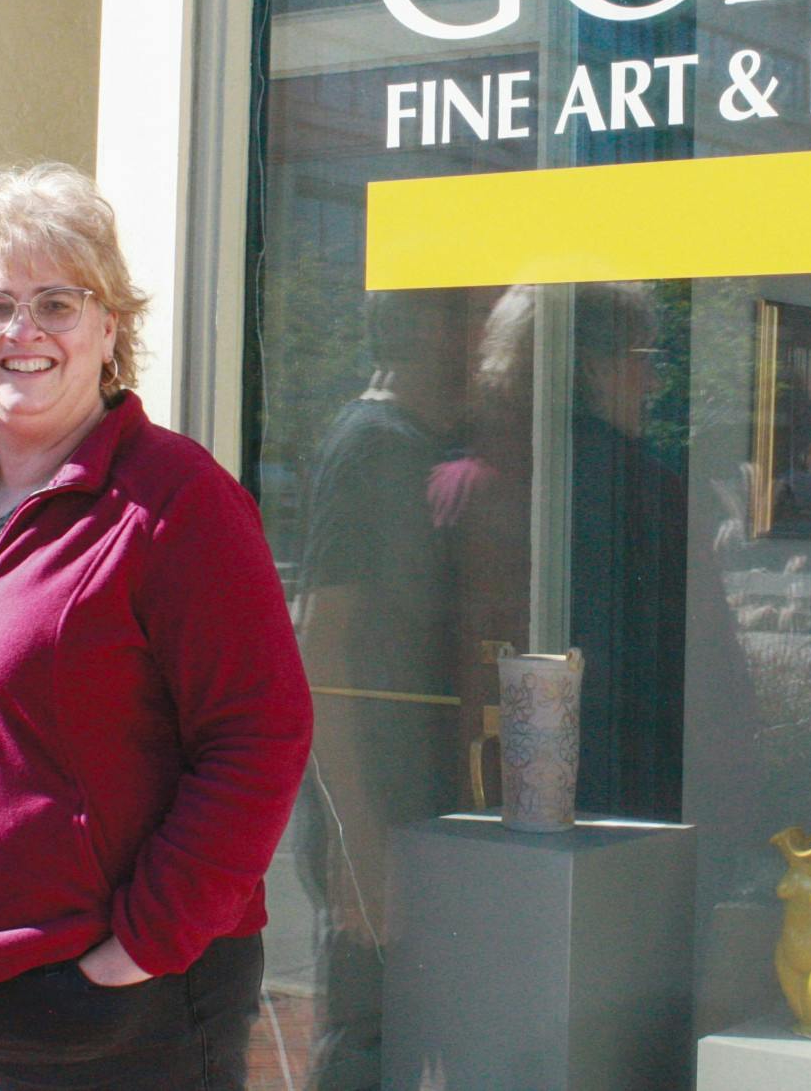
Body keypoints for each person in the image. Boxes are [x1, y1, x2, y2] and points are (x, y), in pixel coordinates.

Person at [0, 162, 312, 1090]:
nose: (25, 332)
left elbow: (261, 734)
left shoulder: (176, 499)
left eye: (59, 301)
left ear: (109, 326)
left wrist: (140, 946)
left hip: (101, 1013)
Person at [294, 289, 467, 1091]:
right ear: (431, 328)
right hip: (379, 824)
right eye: (470, 319)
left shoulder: (420, 443)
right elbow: (321, 643)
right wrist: (356, 839)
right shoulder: (373, 446)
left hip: (419, 821)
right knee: (368, 1053)